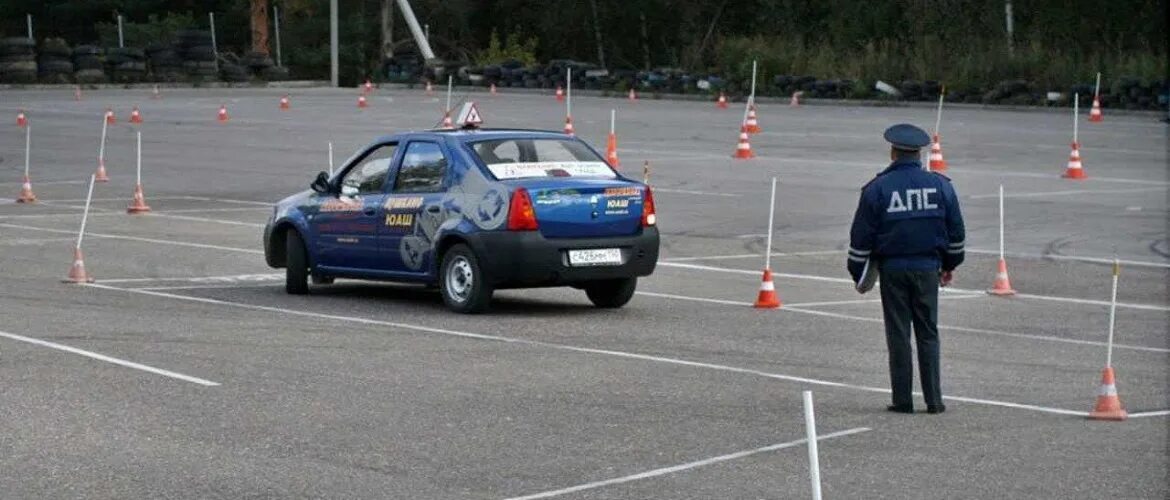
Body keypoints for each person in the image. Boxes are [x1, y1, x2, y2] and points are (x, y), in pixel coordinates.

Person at [847, 123, 965, 415]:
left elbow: (860, 238)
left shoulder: (876, 189)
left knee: (898, 334)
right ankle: (934, 400)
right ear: (919, 152)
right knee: (928, 333)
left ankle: (902, 400)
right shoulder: (941, 186)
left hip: (893, 270)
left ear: (893, 152)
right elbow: (957, 234)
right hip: (928, 268)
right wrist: (948, 266)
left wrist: (859, 274)